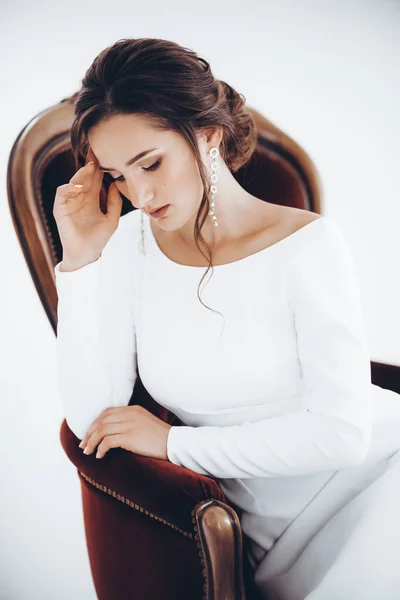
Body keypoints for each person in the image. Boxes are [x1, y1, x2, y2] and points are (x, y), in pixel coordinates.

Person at [53, 37, 400, 600]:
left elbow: (342, 436)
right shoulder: (128, 245)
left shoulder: (308, 247)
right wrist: (79, 260)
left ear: (208, 135)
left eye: (151, 162)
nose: (139, 193)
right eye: (117, 175)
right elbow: (93, 418)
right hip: (265, 529)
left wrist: (174, 444)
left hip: (380, 485)